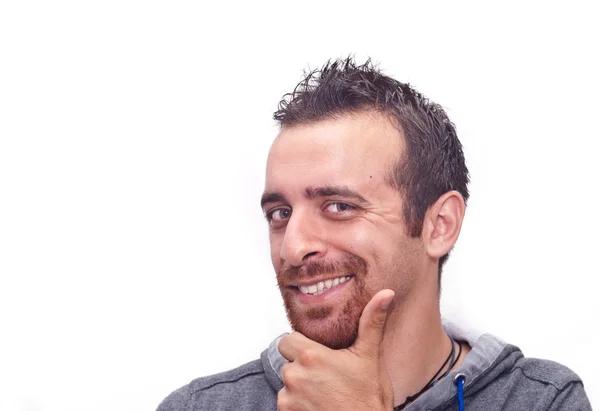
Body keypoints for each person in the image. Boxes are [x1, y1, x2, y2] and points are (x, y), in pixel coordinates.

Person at [156, 57, 591, 411]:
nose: (293, 246)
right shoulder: (201, 407)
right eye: (280, 212)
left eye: (339, 207)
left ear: (440, 225)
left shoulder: (541, 401)